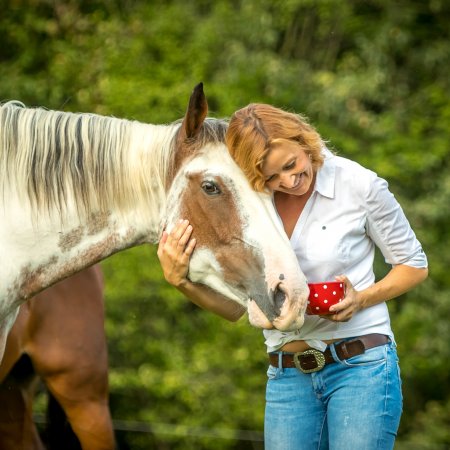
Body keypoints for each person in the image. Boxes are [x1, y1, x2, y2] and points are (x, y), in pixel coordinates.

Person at [157, 103, 428, 450]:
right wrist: (180, 281)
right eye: (272, 177)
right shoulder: (252, 201)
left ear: (303, 140)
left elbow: (414, 265)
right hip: (287, 374)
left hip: (360, 367)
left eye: (291, 165)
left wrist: (362, 298)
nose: (287, 181)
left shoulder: (360, 185)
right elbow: (236, 310)